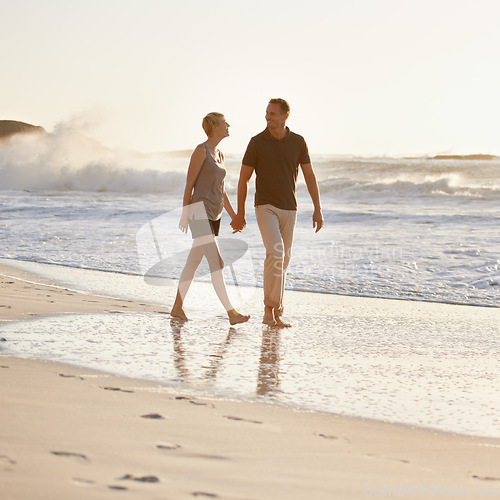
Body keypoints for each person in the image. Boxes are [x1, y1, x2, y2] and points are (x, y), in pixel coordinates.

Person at [231, 99, 323, 327]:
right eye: (266, 113)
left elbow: (310, 176)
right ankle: (269, 310)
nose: (267, 117)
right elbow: (243, 179)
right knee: (276, 252)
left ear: (285, 116)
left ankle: (277, 311)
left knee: (283, 259)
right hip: (265, 206)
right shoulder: (256, 142)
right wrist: (240, 213)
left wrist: (318, 209)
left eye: (272, 113)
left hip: (289, 207)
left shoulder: (298, 142)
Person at [171, 112, 250, 326]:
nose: (228, 125)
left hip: (215, 215)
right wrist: (185, 213)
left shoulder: (220, 155)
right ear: (214, 126)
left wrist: (235, 217)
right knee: (217, 262)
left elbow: (222, 192)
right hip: (198, 212)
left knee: (193, 262)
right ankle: (231, 313)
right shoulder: (201, 151)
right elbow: (189, 185)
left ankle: (177, 307)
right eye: (225, 123)